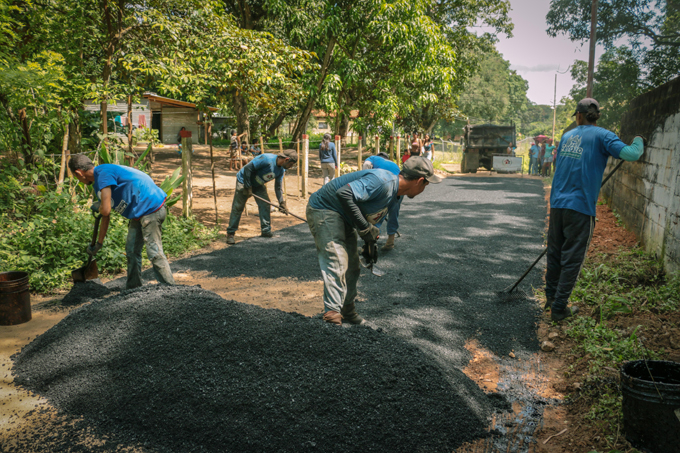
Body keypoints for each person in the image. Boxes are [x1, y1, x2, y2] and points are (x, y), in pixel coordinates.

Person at [306, 156, 442, 325]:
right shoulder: (382, 182)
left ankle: (347, 311)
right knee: (337, 259)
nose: (425, 188)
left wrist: (370, 243)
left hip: (344, 216)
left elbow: (371, 222)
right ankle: (332, 314)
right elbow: (344, 193)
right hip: (325, 208)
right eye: (426, 184)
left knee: (353, 266)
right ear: (420, 180)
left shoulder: (395, 196)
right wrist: (364, 228)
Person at [545, 98, 644, 322]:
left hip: (558, 204)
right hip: (580, 207)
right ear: (596, 115)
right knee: (572, 259)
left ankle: (550, 299)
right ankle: (559, 309)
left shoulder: (567, 136)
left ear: (579, 116)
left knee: (555, 254)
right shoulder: (603, 135)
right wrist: (638, 139)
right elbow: (632, 154)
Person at [68, 154, 175, 290]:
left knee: (154, 252)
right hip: (139, 213)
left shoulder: (103, 173)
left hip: (151, 208)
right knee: (131, 250)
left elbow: (105, 211)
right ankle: (133, 289)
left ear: (79, 173)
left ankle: (171, 290)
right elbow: (105, 216)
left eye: (76, 177)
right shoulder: (100, 183)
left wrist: (101, 206)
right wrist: (99, 244)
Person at [226, 150, 298, 244]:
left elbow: (278, 187)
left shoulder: (281, 170)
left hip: (258, 184)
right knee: (238, 207)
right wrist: (247, 187)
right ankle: (230, 233)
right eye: (291, 164)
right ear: (286, 159)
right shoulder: (267, 159)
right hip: (244, 181)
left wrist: (281, 202)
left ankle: (266, 231)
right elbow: (248, 168)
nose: (291, 167)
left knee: (265, 204)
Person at [362, 152, 402, 251]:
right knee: (394, 212)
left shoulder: (373, 158)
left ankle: (372, 240)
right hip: (400, 187)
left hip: (384, 186)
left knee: (375, 212)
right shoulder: (394, 164)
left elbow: (366, 167)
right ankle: (390, 241)